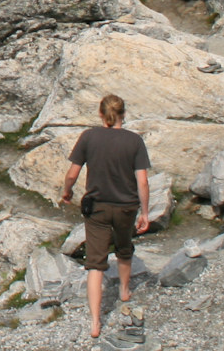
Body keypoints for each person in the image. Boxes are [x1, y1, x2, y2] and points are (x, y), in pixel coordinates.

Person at [61, 94, 152, 342]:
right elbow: (142, 181)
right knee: (124, 248)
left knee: (95, 263)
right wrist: (145, 212)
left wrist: (67, 191)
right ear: (124, 114)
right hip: (126, 207)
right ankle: (124, 290)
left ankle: (95, 322)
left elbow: (72, 173)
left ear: (101, 114)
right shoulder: (134, 141)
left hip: (97, 207)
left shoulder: (89, 137)